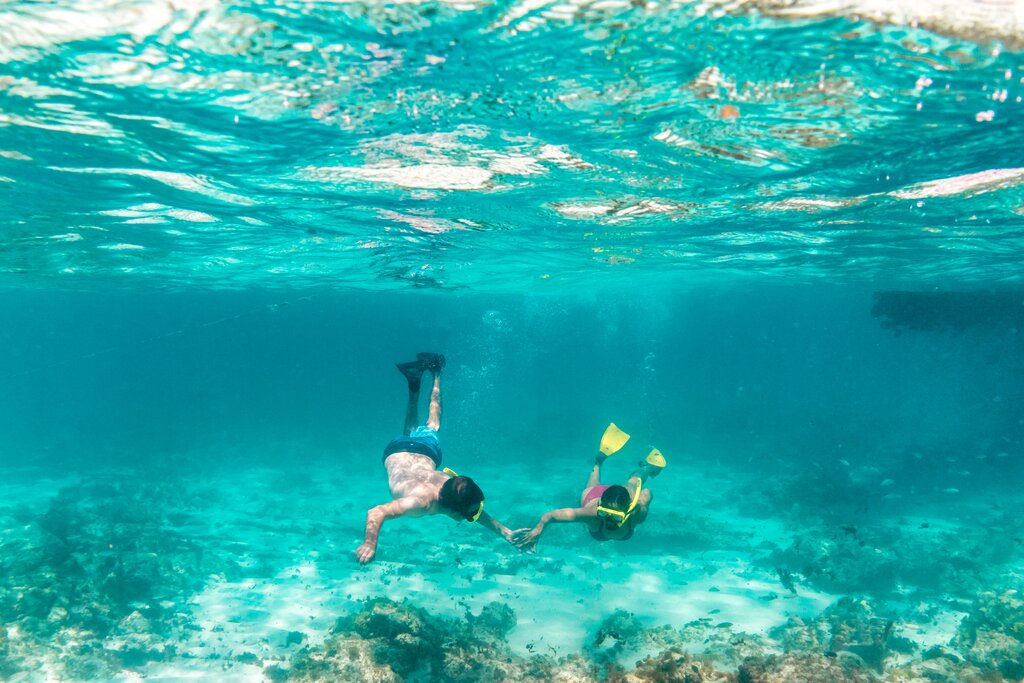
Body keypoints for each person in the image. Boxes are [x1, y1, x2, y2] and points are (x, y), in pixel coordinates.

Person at [356, 353, 518, 564]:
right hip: (397, 451)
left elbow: (474, 508)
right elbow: (376, 512)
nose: (472, 518)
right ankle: (436, 372)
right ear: (451, 508)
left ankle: (421, 380)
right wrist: (369, 544)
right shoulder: (420, 503)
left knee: (427, 427)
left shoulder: (452, 484)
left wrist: (506, 532)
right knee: (429, 424)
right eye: (470, 515)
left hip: (417, 450)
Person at [512, 423, 665, 551]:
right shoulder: (592, 513)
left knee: (636, 479)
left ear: (628, 511)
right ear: (600, 509)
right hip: (595, 496)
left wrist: (642, 501)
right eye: (605, 513)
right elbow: (550, 516)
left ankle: (646, 468)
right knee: (595, 475)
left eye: (617, 517)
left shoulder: (638, 511)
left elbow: (647, 492)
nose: (610, 520)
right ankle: (599, 460)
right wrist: (537, 530)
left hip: (621, 497)